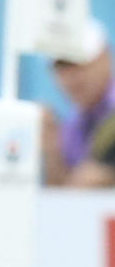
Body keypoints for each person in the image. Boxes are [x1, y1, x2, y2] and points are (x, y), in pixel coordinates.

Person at [41, 16, 115, 187]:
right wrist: (51, 150)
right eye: (61, 67)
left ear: (105, 57)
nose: (71, 77)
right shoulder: (71, 129)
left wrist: (109, 178)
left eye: (79, 62)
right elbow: (64, 198)